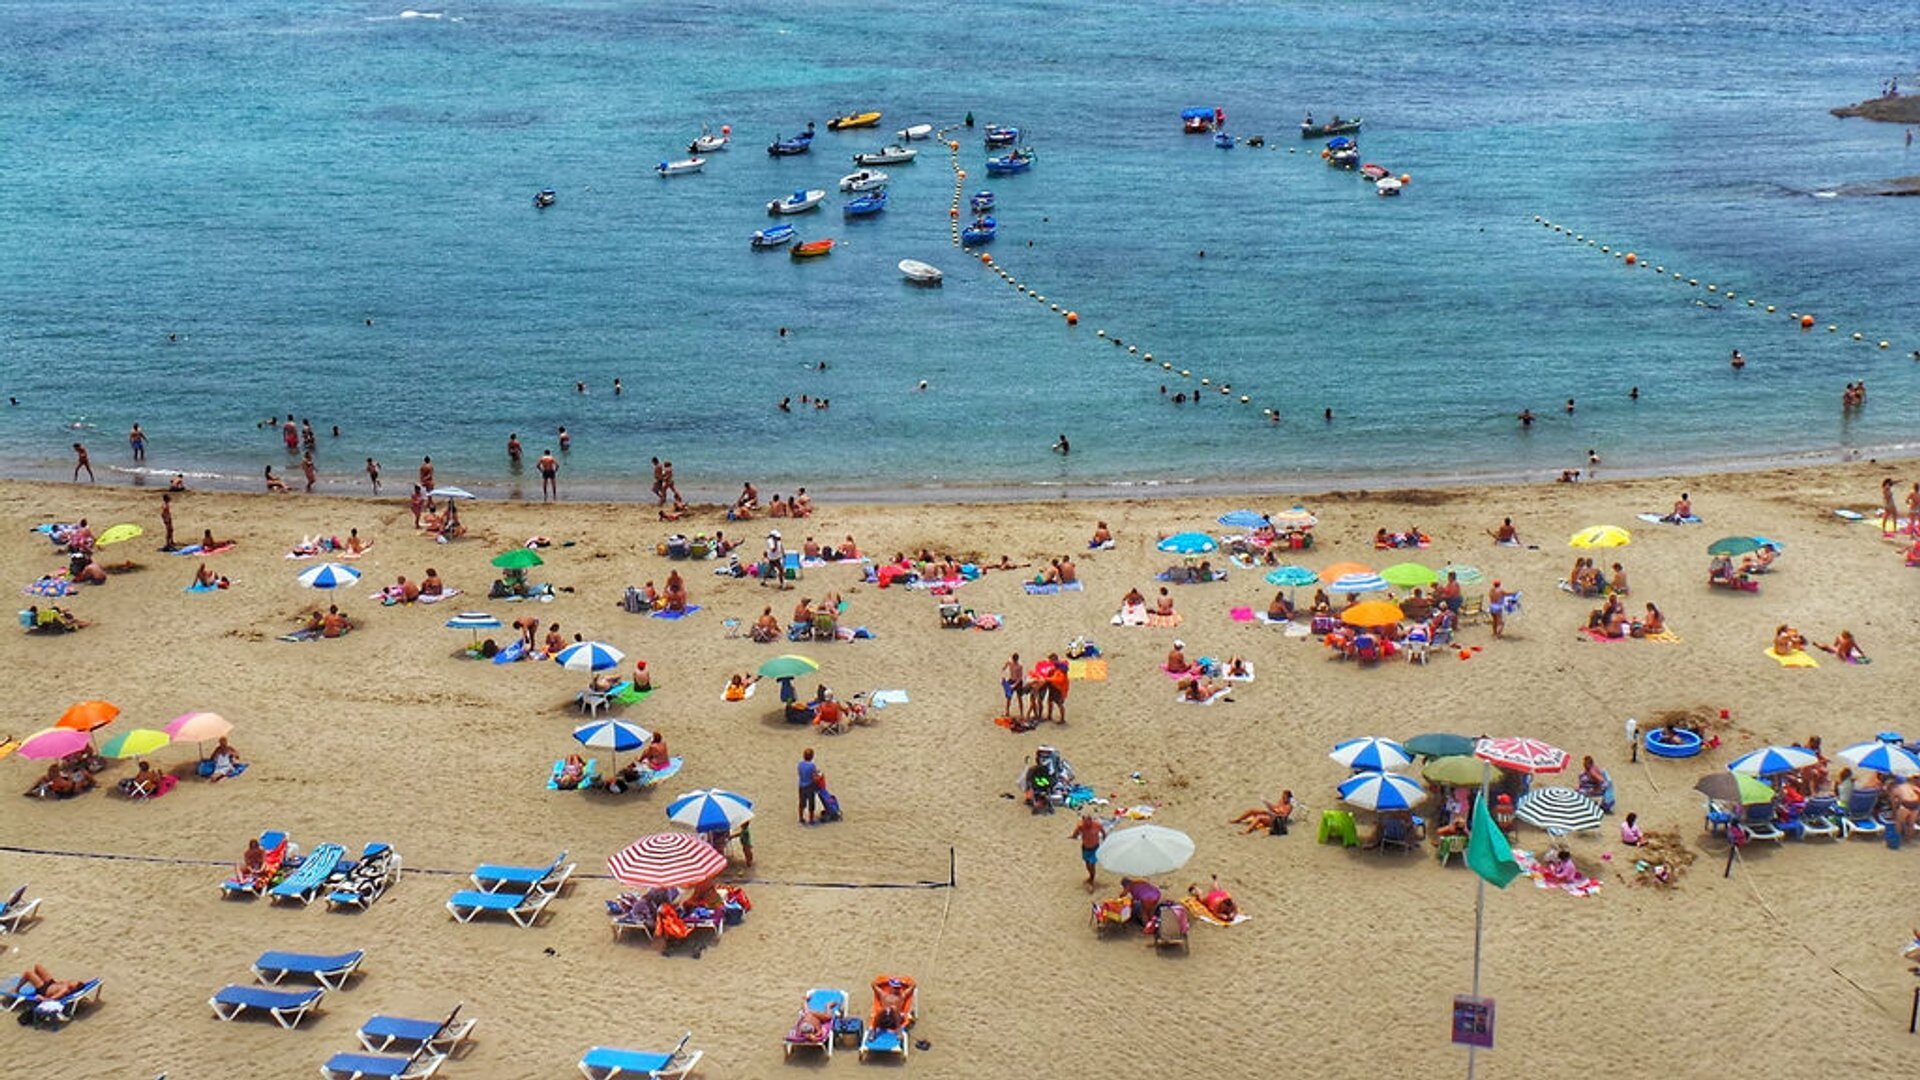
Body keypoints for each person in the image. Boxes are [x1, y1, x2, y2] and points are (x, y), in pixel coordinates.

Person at [1229, 790, 1293, 835]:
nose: (1283, 798)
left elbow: (1284, 816)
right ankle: (1237, 820)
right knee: (1252, 810)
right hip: (1272, 814)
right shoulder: (1281, 801)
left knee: (1259, 817)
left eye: (1285, 797)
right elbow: (1274, 807)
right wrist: (1268, 804)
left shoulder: (1289, 806)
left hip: (1277, 820)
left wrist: (1277, 811)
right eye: (1283, 796)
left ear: (1288, 798)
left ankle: (1247, 831)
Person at [1070, 812, 1106, 889]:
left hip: (1095, 848)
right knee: (1087, 863)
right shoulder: (1081, 826)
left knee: (1092, 864)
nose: (1087, 824)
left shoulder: (1097, 825)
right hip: (1085, 847)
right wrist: (1073, 836)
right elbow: (1075, 833)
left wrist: (1104, 838)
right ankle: (1090, 876)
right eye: (1085, 822)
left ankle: (1092, 880)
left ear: (1090, 820)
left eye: (1088, 821)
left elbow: (1103, 832)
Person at [797, 748, 820, 824]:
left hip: (801, 785)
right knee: (811, 803)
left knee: (802, 803)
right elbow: (814, 777)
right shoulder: (812, 765)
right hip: (809, 786)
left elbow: (799, 774)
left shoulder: (800, 764)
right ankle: (811, 819)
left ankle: (801, 818)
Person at [1001, 653, 1025, 717]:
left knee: (1019, 698)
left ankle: (1022, 713)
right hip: (1011, 680)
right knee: (1009, 697)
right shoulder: (1010, 661)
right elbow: (1005, 666)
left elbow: (1020, 677)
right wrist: (1004, 672)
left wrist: (1014, 685)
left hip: (1018, 682)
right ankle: (1007, 712)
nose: (1014, 662)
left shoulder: (1020, 665)